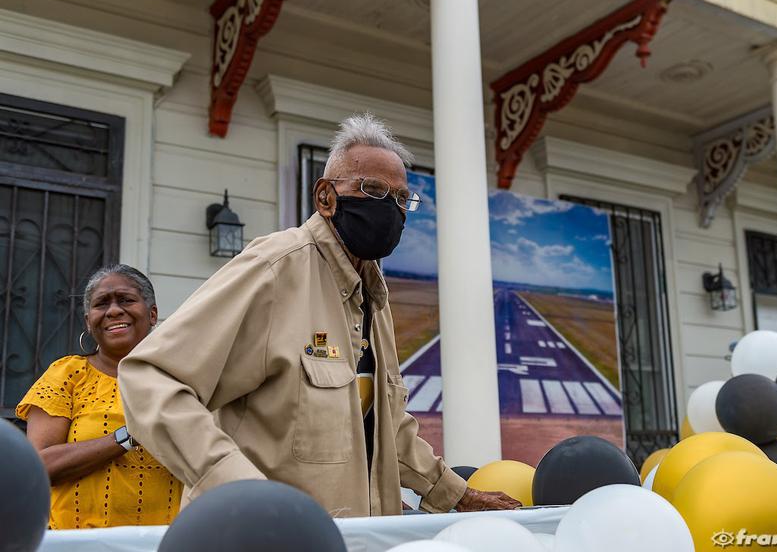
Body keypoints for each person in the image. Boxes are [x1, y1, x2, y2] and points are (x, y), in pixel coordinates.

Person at [119, 114, 520, 517]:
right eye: (373, 189)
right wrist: (237, 488)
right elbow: (150, 377)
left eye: (401, 199)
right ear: (326, 197)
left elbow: (387, 426)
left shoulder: (373, 298)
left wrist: (456, 495)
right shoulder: (275, 267)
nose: (390, 208)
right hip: (267, 538)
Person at [15, 265, 183, 528]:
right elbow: (36, 466)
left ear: (152, 314)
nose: (114, 310)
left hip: (162, 540)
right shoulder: (67, 375)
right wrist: (129, 436)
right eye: (101, 304)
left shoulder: (181, 377)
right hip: (79, 542)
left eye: (126, 300)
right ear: (88, 321)